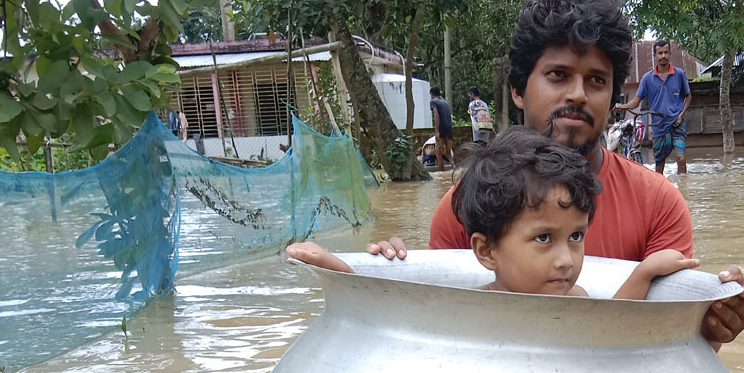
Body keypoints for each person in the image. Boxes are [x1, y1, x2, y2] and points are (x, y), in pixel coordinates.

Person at [328, 0, 744, 347]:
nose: (578, 94)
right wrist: (378, 273)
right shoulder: (464, 207)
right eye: (558, 75)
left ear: (613, 97)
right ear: (518, 90)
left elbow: (663, 348)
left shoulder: (658, 203)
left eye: (596, 80)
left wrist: (709, 327)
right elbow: (440, 333)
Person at [287, 128, 698, 300]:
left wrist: (644, 274)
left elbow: (615, 336)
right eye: (543, 238)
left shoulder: (575, 298)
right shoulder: (477, 305)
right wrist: (344, 272)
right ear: (486, 252)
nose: (566, 259)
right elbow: (396, 315)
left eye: (576, 236)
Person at [616, 39, 691, 175]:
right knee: (659, 163)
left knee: (681, 158)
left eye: (666, 52)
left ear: (670, 54)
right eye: (660, 53)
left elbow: (688, 96)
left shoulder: (679, 74)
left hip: (677, 124)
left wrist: (681, 115)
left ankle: (683, 186)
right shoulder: (647, 78)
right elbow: (636, 101)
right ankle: (660, 187)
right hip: (658, 126)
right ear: (654, 56)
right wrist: (623, 106)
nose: (663, 56)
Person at [430, 88, 455, 171]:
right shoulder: (445, 102)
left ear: (432, 94)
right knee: (448, 154)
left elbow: (436, 115)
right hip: (449, 129)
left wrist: (437, 131)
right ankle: (456, 169)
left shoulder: (433, 102)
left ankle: (442, 172)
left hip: (441, 129)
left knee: (439, 153)